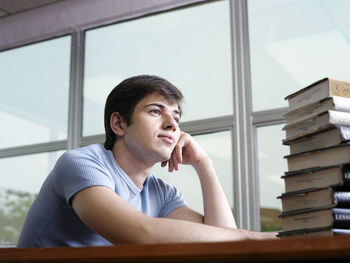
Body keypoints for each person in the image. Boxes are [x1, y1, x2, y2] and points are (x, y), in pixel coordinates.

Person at [17, 75, 276, 247]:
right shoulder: (81, 163)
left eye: (176, 116)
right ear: (119, 123)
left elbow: (224, 243)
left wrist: (204, 164)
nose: (172, 124)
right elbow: (140, 233)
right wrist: (253, 237)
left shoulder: (160, 193)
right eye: (155, 111)